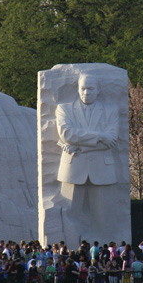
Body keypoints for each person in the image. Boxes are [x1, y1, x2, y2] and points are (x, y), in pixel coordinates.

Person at [55, 73, 121, 244]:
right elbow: (66, 134)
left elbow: (111, 140)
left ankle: (106, 250)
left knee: (104, 215)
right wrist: (99, 136)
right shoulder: (64, 109)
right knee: (69, 213)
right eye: (82, 88)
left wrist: (77, 144)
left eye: (90, 88)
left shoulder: (110, 110)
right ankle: (70, 248)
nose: (86, 92)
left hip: (101, 169)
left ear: (98, 90)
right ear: (77, 89)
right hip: (73, 169)